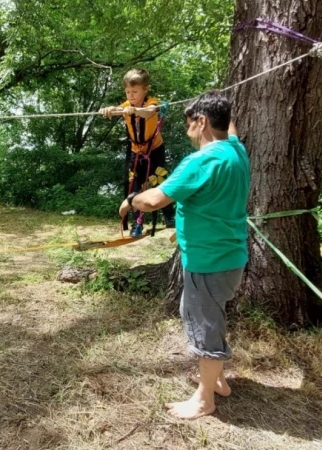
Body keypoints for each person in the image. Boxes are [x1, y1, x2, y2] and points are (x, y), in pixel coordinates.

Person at [118, 90, 250, 419]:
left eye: (191, 123)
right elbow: (229, 127)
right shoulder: (236, 150)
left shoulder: (201, 161)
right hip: (230, 258)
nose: (187, 130)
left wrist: (131, 199)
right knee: (208, 317)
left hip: (208, 260)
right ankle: (216, 380)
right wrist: (217, 102)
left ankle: (205, 399)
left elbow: (154, 201)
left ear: (202, 122)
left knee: (205, 326)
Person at [101, 68, 175, 237]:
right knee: (133, 186)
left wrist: (134, 111)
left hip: (155, 150)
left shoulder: (151, 102)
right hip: (136, 152)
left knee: (159, 181)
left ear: (145, 89)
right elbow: (115, 109)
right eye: (128, 92)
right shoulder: (126, 106)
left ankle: (169, 216)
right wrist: (108, 110)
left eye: (135, 91)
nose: (131, 95)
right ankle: (137, 223)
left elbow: (149, 112)